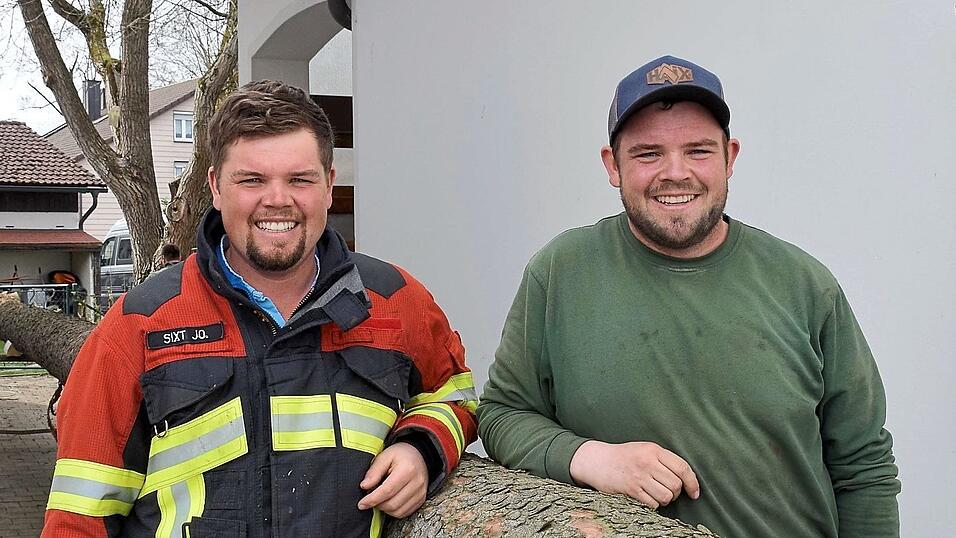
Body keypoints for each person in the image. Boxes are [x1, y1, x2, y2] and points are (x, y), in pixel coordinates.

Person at [476, 55, 900, 537]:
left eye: (698, 150)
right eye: (648, 154)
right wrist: (592, 458)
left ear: (730, 158)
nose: (675, 173)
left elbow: (863, 464)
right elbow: (502, 414)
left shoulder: (805, 285)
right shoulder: (560, 273)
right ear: (612, 165)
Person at [43, 80, 478, 537]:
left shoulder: (394, 300)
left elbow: (456, 397)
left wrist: (421, 447)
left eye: (299, 179)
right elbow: (78, 516)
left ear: (329, 185)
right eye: (252, 180)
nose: (277, 200)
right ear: (215, 187)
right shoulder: (141, 325)